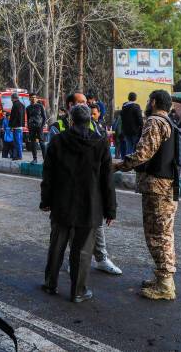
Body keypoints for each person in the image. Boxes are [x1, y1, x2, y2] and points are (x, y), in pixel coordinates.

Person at [41, 104, 116, 303]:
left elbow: (48, 174)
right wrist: (111, 210)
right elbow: (107, 180)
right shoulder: (101, 143)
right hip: (89, 207)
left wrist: (45, 201)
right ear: (90, 121)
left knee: (56, 245)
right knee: (83, 251)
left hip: (61, 204)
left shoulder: (57, 141)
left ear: (71, 121)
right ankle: (78, 292)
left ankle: (50, 283)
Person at [114, 90, 180, 300]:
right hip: (168, 186)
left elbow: (143, 154)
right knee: (164, 234)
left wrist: (119, 165)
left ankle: (165, 285)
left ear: (153, 102)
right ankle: (163, 278)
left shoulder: (154, 121)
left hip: (157, 188)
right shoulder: (170, 122)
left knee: (157, 235)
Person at [49, 92, 122, 275]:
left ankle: (101, 258)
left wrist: (109, 204)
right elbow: (52, 164)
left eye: (87, 103)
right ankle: (72, 266)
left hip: (90, 190)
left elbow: (104, 168)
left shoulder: (96, 128)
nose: (87, 105)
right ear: (70, 105)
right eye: (81, 102)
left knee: (95, 227)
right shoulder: (58, 128)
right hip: (68, 190)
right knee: (68, 230)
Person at [121, 92, 143, 158]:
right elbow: (139, 118)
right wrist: (142, 125)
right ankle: (133, 162)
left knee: (128, 146)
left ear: (128, 98)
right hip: (135, 130)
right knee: (135, 147)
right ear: (135, 98)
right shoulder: (136, 106)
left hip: (126, 130)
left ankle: (127, 161)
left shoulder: (124, 107)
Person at [26, 93, 47, 164]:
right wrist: (29, 127)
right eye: (31, 98)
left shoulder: (40, 106)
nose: (33, 99)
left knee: (42, 143)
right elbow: (28, 118)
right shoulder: (28, 108)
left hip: (39, 127)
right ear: (29, 99)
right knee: (33, 143)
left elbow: (44, 117)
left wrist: (42, 125)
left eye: (34, 97)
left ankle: (45, 159)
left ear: (36, 98)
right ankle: (34, 159)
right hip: (31, 127)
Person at [9, 93, 25, 160]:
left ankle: (19, 156)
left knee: (17, 142)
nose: (11, 100)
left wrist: (12, 126)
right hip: (20, 126)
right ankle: (16, 156)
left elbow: (15, 116)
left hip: (16, 127)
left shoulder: (15, 105)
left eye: (11, 98)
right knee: (19, 142)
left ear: (13, 98)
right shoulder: (22, 105)